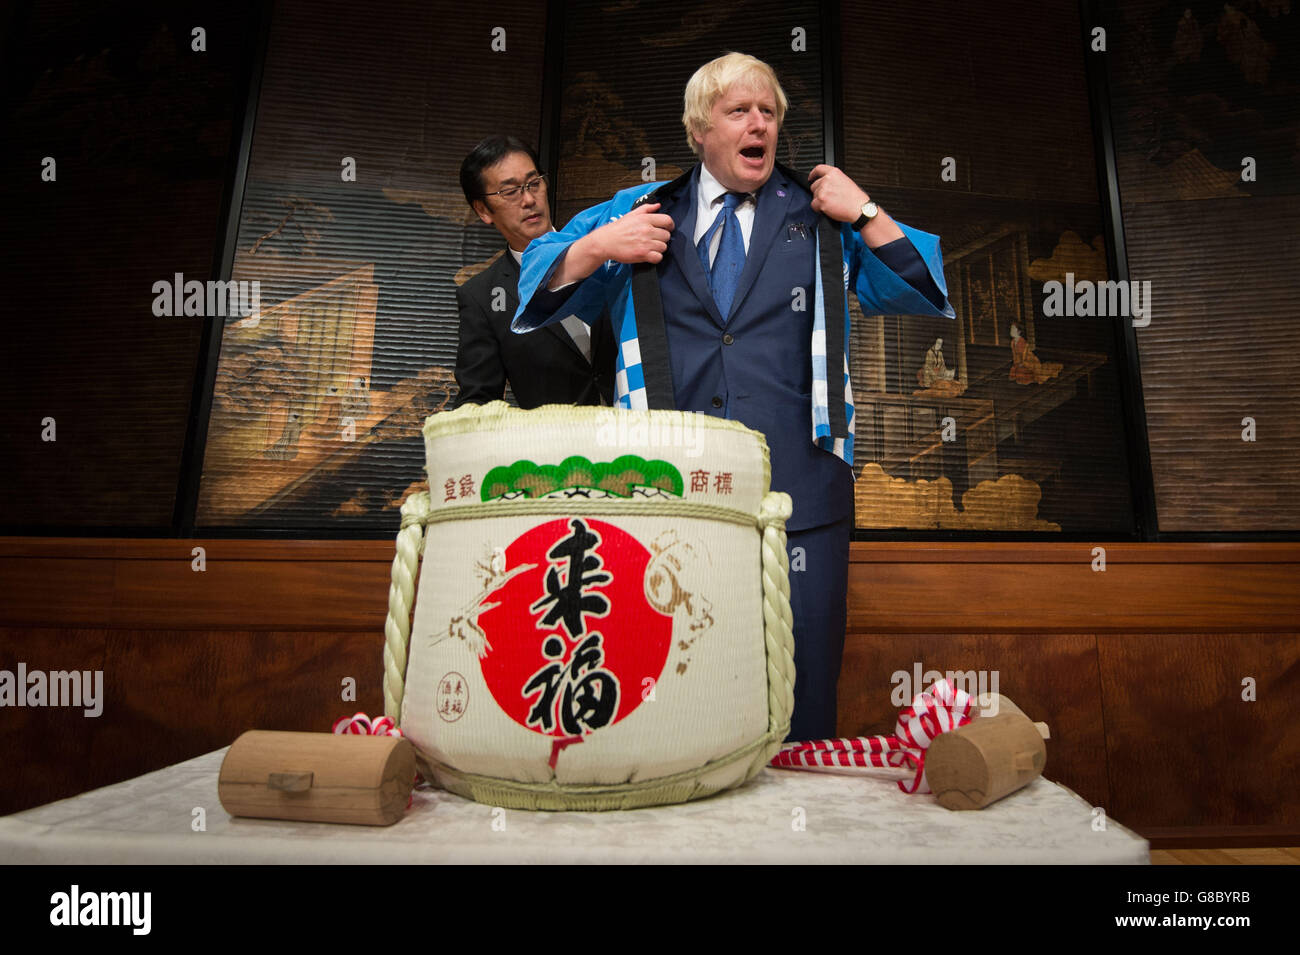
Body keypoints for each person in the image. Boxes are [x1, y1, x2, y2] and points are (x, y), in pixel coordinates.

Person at [513, 54, 955, 740]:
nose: (759, 124)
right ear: (698, 130)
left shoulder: (821, 217)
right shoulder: (638, 212)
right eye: (739, 111)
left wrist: (865, 210)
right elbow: (535, 288)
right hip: (669, 494)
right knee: (677, 684)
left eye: (769, 112)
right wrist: (602, 243)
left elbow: (922, 286)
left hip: (802, 494)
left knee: (804, 688)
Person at [453, 135, 616, 409]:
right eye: (510, 191)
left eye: (533, 183)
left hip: (638, 437)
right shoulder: (482, 297)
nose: (529, 199)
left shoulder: (604, 247)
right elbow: (478, 400)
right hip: (558, 448)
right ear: (482, 210)